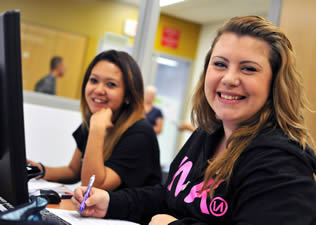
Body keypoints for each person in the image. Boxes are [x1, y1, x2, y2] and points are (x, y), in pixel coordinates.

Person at [71, 16, 316, 224]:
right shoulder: (208, 133)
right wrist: (111, 202)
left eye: (248, 68)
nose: (229, 78)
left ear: (275, 84)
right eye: (219, 64)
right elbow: (171, 196)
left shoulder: (282, 162)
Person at [28, 50, 162, 191]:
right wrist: (40, 170)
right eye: (93, 80)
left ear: (128, 95)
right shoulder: (94, 119)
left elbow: (93, 187)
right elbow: (74, 171)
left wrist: (97, 129)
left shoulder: (140, 134)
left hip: (128, 213)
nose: (98, 90)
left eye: (111, 84)